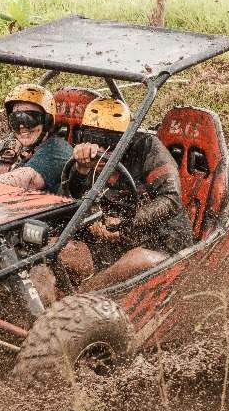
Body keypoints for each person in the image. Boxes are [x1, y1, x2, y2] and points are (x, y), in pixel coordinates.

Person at [61, 96, 194, 285]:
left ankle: (86, 296)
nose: (98, 149)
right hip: (112, 241)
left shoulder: (148, 149)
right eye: (91, 137)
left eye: (108, 141)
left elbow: (170, 199)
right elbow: (69, 200)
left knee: (134, 261)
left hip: (162, 240)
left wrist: (125, 223)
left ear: (125, 140)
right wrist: (81, 171)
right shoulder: (86, 158)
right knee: (63, 251)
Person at [0, 83, 72, 193]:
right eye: (15, 120)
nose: (22, 126)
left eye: (29, 118)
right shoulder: (7, 147)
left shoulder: (58, 150)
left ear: (47, 121)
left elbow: (29, 179)